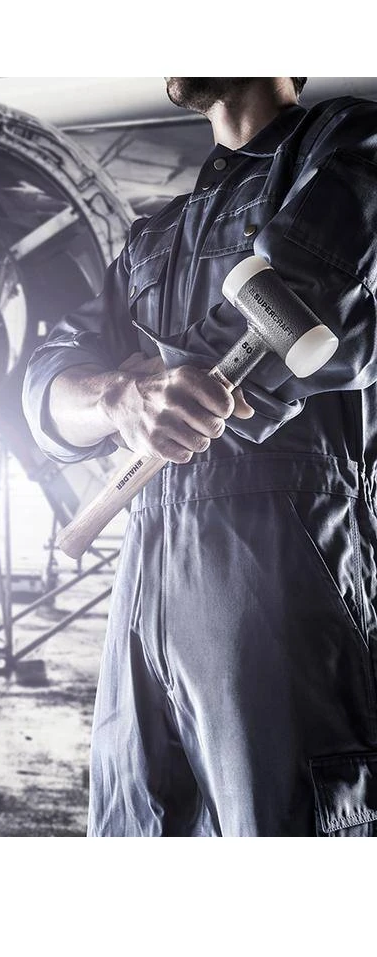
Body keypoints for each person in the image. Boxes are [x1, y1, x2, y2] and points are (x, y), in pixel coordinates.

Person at [23, 78, 377, 836]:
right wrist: (116, 397)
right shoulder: (152, 238)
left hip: (286, 572)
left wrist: (157, 381)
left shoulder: (351, 145)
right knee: (138, 823)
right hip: (143, 584)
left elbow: (307, 301)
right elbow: (46, 381)